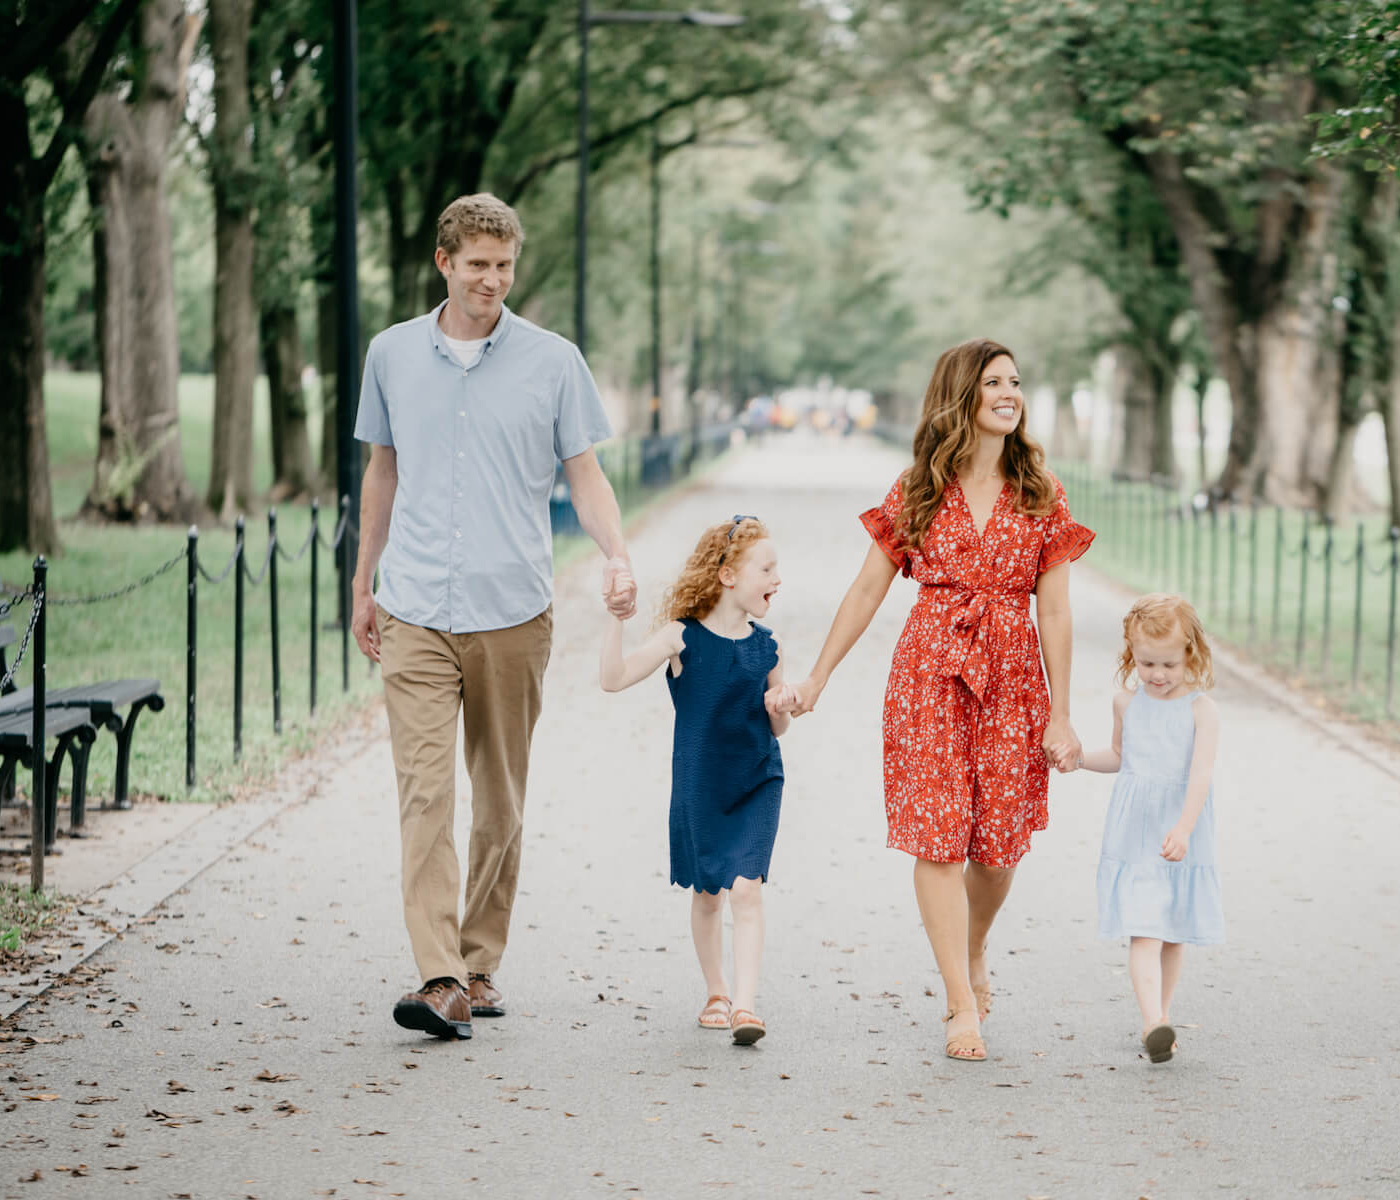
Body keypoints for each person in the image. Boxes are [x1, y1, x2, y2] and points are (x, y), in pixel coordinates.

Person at [351, 192, 637, 1041]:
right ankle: (439, 976)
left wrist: (617, 556)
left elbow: (585, 475)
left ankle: (479, 962)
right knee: (426, 796)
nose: (492, 280)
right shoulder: (391, 355)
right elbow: (381, 473)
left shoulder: (553, 361)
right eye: (477, 265)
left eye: (504, 266)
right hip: (414, 609)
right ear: (444, 263)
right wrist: (363, 582)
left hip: (513, 611)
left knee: (501, 801)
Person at [772, 338, 1093, 1062]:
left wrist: (1063, 712)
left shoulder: (1041, 489)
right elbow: (866, 588)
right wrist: (819, 674)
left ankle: (974, 946)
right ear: (962, 396)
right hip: (930, 676)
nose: (1010, 392)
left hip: (1014, 677)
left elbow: (1058, 610)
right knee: (938, 837)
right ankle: (958, 1002)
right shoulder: (918, 487)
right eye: (994, 382)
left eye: (1016, 381)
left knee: (998, 846)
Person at [600, 515, 789, 1046]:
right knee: (709, 897)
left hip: (757, 781)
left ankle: (746, 1007)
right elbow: (613, 679)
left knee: (746, 890)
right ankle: (717, 992)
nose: (777, 579)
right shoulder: (681, 638)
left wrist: (782, 704)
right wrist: (615, 618)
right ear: (728, 575)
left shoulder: (768, 647)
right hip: (702, 788)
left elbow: (779, 725)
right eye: (767, 569)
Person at [1076, 594, 1224, 1064]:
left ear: (1190, 654)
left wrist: (1184, 829)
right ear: (1130, 656)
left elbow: (1200, 775)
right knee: (1145, 927)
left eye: (1168, 664)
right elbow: (1121, 758)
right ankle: (1152, 1023)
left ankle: (1162, 1015)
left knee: (1173, 928)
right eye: (1146, 664)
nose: (1157, 675)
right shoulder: (1127, 702)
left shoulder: (1202, 710)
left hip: (1180, 828)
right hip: (1137, 831)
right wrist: (1078, 759)